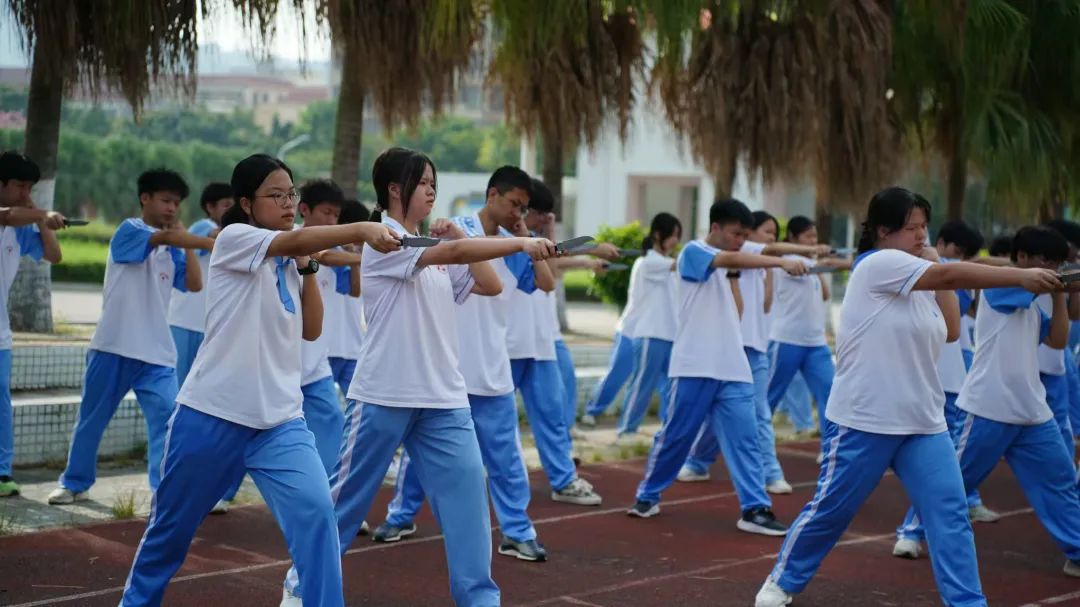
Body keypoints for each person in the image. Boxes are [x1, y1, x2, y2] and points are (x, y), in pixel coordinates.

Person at [754, 187, 1062, 607]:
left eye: (924, 227)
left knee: (950, 514)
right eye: (912, 229)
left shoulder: (920, 277)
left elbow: (952, 330)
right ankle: (782, 582)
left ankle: (968, 602)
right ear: (883, 231)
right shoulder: (877, 264)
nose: (922, 236)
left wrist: (938, 270)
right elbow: (952, 276)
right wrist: (1019, 275)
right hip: (866, 419)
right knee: (832, 510)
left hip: (922, 422)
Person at [119, 153, 400, 607]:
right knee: (169, 534)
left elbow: (311, 328)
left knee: (317, 517)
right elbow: (293, 242)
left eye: (292, 193)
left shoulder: (292, 257)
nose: (289, 203)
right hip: (211, 415)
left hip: (279, 423)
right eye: (276, 195)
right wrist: (361, 229)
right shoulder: (235, 238)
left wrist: (309, 268)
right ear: (247, 203)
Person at [281, 148, 558, 607]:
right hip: (384, 393)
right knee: (345, 506)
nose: (432, 191)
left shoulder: (428, 246)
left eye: (434, 183)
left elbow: (488, 285)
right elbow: (452, 250)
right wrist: (521, 244)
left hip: (444, 398)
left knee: (470, 505)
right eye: (424, 182)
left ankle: (480, 600)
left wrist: (457, 241)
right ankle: (300, 586)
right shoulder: (384, 239)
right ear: (395, 189)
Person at [372, 166, 553, 563]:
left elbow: (546, 282)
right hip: (449, 372)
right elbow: (451, 253)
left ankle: (517, 531)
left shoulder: (513, 240)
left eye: (524, 207)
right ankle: (400, 516)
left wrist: (528, 239)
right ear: (492, 195)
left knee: (504, 460)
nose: (517, 212)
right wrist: (504, 240)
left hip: (492, 367)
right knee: (418, 460)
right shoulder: (450, 228)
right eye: (513, 203)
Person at [628, 199, 806, 538]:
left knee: (746, 438)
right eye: (736, 234)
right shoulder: (692, 252)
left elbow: (737, 312)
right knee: (676, 437)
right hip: (695, 365)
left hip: (733, 367)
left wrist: (738, 275)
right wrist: (781, 262)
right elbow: (733, 257)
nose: (741, 240)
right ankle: (647, 495)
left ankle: (755, 508)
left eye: (744, 234)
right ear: (715, 229)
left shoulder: (726, 268)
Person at [49, 169, 213, 505]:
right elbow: (162, 239)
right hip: (113, 347)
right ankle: (74, 482)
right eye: (166, 200)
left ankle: (162, 490)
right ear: (145, 198)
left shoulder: (174, 246)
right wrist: (208, 242)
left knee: (168, 421)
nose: (171, 209)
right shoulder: (130, 230)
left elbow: (194, 285)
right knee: (92, 421)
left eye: (177, 203)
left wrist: (191, 248)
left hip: (157, 355)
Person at [944, 226, 1080, 577]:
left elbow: (1058, 340)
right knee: (955, 480)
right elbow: (1021, 281)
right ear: (1022, 258)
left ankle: (1077, 551)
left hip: (1033, 410)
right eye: (1045, 260)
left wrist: (1063, 293)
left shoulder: (1039, 302)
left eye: (1058, 262)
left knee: (1061, 479)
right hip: (989, 405)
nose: (1052, 267)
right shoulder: (999, 286)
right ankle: (912, 530)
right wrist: (1057, 281)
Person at [678, 211, 830, 493]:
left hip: (756, 347)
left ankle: (707, 463)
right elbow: (774, 250)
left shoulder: (761, 263)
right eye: (766, 232)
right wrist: (803, 252)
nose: (770, 238)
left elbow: (766, 304)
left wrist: (773, 269)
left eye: (774, 232)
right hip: (731, 347)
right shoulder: (742, 250)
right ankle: (721, 465)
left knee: (749, 412)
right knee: (738, 413)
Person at [893, 220, 999, 557]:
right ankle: (912, 529)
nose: (961, 259)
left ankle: (958, 506)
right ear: (942, 243)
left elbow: (958, 324)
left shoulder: (956, 274)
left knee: (955, 458)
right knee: (942, 459)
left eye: (967, 255)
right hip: (925, 379)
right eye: (957, 251)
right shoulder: (907, 271)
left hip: (956, 375)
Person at [503, 181, 605, 506]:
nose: (538, 219)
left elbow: (551, 268)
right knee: (496, 424)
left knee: (552, 415)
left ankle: (563, 479)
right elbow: (553, 266)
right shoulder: (504, 242)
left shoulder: (536, 242)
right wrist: (586, 254)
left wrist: (550, 234)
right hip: (507, 345)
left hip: (541, 342)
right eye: (536, 213)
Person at [0, 151, 64, 498]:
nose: (26, 193)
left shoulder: (20, 228)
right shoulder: (8, 217)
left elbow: (53, 256)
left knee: (0, 403)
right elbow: (8, 214)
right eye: (20, 185)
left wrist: (42, 223)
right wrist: (44, 213)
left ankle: (2, 472)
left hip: (1, 335)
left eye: (30, 187)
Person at [608, 213, 681, 439]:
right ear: (658, 235)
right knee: (643, 384)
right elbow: (679, 264)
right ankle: (626, 429)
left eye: (679, 237)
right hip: (650, 334)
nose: (676, 241)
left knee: (672, 386)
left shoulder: (667, 265)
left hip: (670, 335)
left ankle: (669, 428)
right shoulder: (647, 262)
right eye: (673, 236)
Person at [167, 182, 233, 387]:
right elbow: (218, 236)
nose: (231, 210)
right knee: (177, 386)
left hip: (208, 325)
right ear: (210, 207)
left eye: (235, 206)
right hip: (184, 322)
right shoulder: (203, 227)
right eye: (226, 205)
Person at [326, 200, 370, 396]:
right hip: (328, 349)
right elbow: (326, 257)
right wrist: (359, 258)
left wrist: (356, 258)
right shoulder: (329, 251)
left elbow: (355, 291)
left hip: (353, 347)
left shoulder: (358, 255)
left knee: (355, 406)